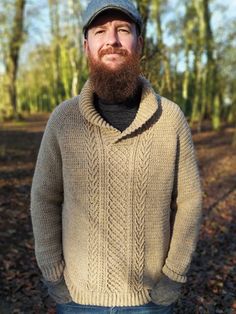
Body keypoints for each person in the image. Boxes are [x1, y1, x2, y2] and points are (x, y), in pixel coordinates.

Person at [30, 0, 202, 313]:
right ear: (86, 46)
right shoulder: (63, 119)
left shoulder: (170, 119)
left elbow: (189, 201)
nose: (112, 39)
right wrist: (53, 274)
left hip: (150, 300)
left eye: (123, 29)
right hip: (78, 300)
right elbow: (44, 198)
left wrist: (173, 275)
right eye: (100, 31)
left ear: (140, 43)